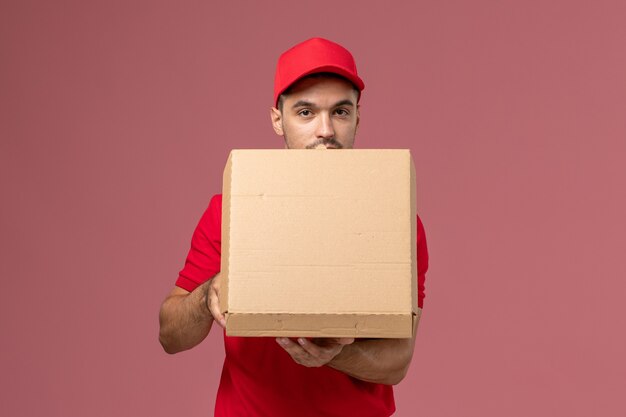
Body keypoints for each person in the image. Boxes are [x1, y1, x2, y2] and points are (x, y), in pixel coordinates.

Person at [159, 37, 429, 417]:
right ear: (276, 119)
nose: (325, 130)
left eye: (340, 112)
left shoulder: (397, 221)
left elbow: (398, 361)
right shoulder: (230, 209)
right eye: (305, 112)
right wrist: (206, 297)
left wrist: (336, 353)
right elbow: (170, 336)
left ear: (357, 117)